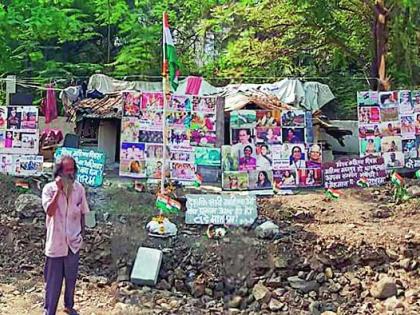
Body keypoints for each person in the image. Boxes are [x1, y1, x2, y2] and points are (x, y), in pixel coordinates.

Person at [41, 156, 89, 315]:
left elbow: (83, 213)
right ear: (59, 172)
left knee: (71, 278)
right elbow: (50, 211)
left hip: (73, 242)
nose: (70, 174)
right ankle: (49, 310)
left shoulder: (79, 189)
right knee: (53, 282)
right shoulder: (49, 189)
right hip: (56, 243)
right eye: (66, 170)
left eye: (72, 170)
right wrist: (59, 192)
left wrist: (82, 235)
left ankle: (69, 305)